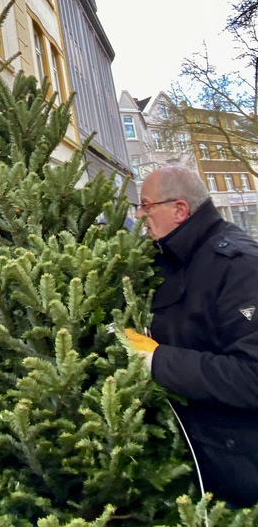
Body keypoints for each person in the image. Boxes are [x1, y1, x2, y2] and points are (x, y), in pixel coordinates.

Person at [125, 165, 258, 507]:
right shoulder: (173, 259)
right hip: (201, 455)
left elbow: (252, 375)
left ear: (180, 209)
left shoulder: (239, 267)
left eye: (146, 205)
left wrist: (157, 361)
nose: (139, 216)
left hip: (241, 468)